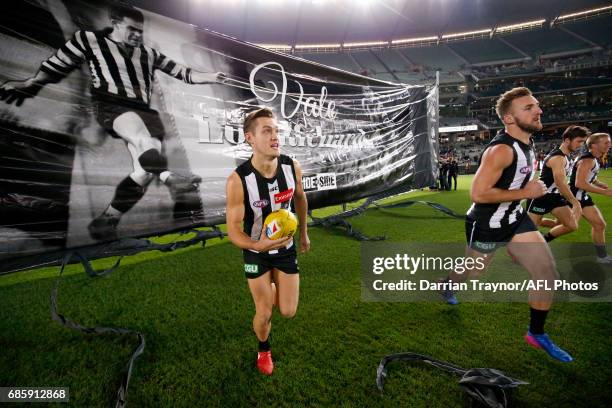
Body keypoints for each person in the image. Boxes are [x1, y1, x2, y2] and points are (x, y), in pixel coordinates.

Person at [0, 4, 225, 241]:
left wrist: (212, 76)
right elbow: (59, 63)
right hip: (112, 105)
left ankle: (107, 220)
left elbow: (183, 73)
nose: (137, 35)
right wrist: (31, 83)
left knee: (143, 171)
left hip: (144, 111)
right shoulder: (90, 40)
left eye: (140, 30)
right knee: (142, 139)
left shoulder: (148, 54)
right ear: (115, 22)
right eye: (132, 29)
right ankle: (171, 179)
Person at [439, 87, 573, 362]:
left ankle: (536, 333)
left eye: (537, 105)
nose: (538, 110)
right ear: (509, 119)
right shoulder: (501, 150)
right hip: (487, 223)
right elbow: (478, 194)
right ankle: (447, 283)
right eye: (529, 108)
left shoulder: (527, 142)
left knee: (547, 272)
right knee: (473, 273)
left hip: (515, 218)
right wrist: (528, 193)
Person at [225, 107, 310, 376]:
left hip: (285, 250)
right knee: (264, 313)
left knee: (287, 311)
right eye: (267, 131)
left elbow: (300, 198)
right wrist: (258, 245)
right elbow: (233, 231)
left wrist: (304, 231)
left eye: (276, 131)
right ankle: (264, 349)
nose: (275, 136)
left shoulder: (290, 166)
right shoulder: (238, 180)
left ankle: (273, 289)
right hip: (256, 251)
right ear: (250, 138)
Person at [527, 125, 589, 242]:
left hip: (555, 196)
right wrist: (575, 203)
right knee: (528, 232)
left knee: (571, 225)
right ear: (567, 140)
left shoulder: (566, 156)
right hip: (541, 196)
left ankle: (544, 239)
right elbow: (560, 183)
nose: (581, 144)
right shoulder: (557, 158)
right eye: (579, 141)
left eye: (583, 142)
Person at [568, 132, 612, 263]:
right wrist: (604, 192)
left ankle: (602, 257)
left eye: (609, 142)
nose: (609, 144)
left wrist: (597, 182)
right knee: (564, 226)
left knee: (599, 225)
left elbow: (587, 175)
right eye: (606, 142)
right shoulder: (588, 159)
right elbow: (579, 183)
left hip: (582, 197)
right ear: (593, 145)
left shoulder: (591, 158)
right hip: (575, 198)